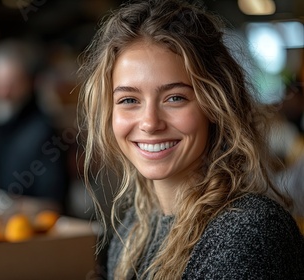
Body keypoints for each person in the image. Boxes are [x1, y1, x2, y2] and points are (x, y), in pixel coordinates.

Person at [77, 0, 304, 279]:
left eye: (175, 98)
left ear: (216, 104)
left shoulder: (248, 232)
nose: (150, 122)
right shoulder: (134, 228)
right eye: (129, 100)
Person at [0, 39, 69, 210]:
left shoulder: (42, 131)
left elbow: (53, 204)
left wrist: (4, 206)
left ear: (30, 83)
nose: (4, 93)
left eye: (12, 84)